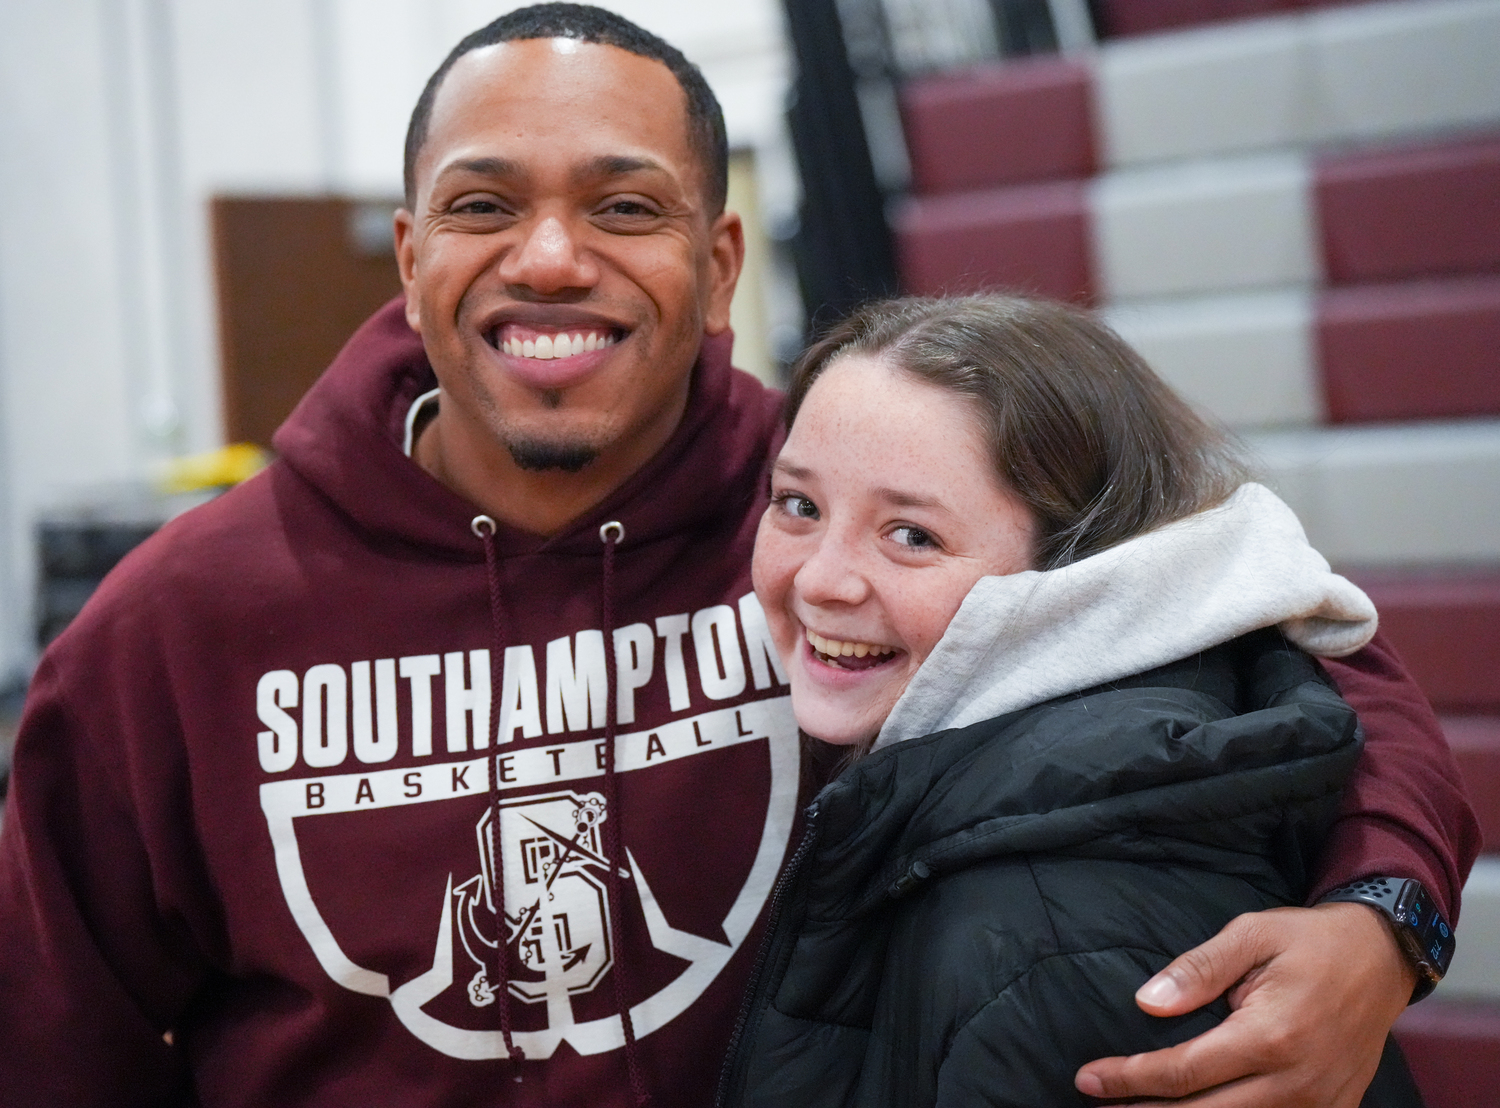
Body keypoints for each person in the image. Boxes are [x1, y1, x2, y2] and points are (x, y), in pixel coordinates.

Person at [0, 6, 1477, 1107]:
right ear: (409, 253)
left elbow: (1314, 670)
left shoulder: (838, 515)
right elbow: (57, 1038)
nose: (552, 258)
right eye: (484, 204)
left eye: (624, 205)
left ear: (717, 265)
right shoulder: (179, 624)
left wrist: (1381, 919)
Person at [719, 293, 1428, 1107]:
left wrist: (1389, 918)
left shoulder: (1054, 944)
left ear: (1076, 575)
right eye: (799, 506)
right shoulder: (968, 796)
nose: (819, 580)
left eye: (912, 535)